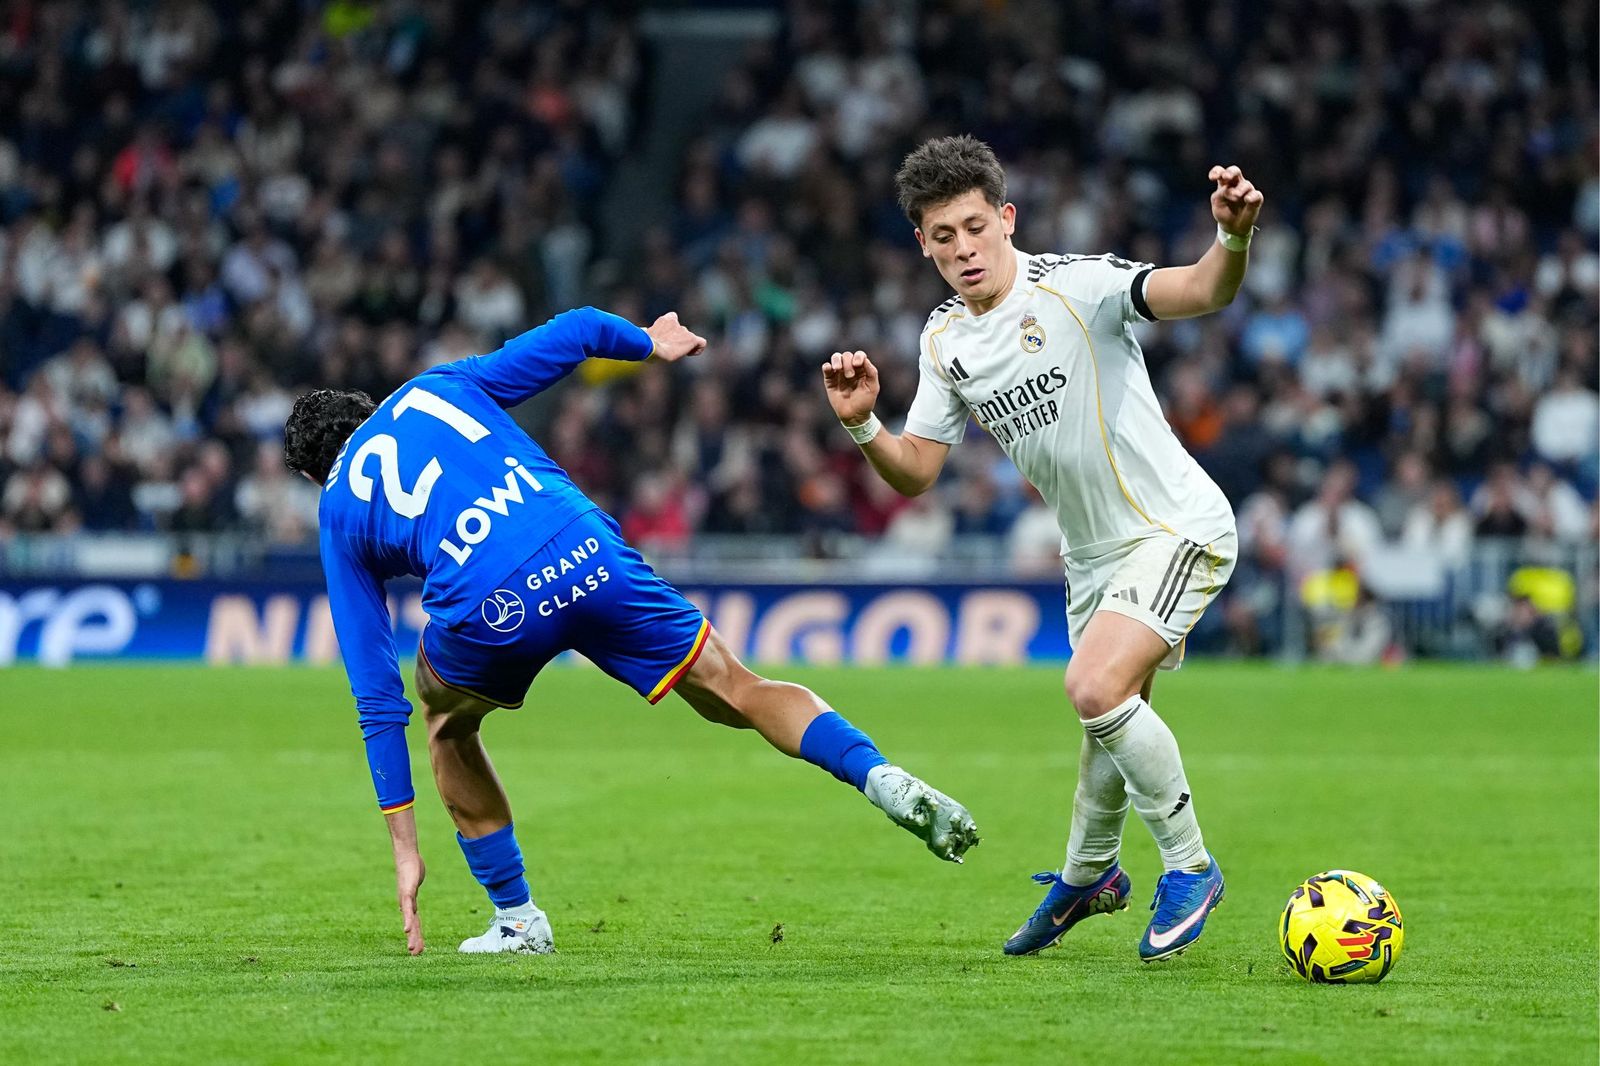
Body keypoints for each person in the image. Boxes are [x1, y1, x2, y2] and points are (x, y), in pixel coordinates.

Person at [283, 306, 978, 957]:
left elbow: (375, 694)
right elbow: (580, 328)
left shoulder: (338, 509)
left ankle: (518, 919)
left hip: (492, 604)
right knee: (735, 687)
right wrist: (649, 343)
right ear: (370, 410)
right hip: (583, 544)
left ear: (316, 474)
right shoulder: (436, 388)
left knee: (446, 723)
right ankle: (876, 773)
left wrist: (405, 848)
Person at [820, 135, 1262, 963]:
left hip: (1174, 526)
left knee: (1094, 688)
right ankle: (1089, 875)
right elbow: (916, 472)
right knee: (1108, 720)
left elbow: (1203, 289)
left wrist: (1231, 236)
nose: (963, 249)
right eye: (943, 236)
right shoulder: (944, 339)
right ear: (922, 245)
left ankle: (1191, 866)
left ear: (1006, 219)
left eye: (974, 227)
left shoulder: (1077, 286)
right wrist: (863, 424)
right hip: (1091, 558)